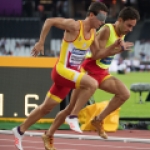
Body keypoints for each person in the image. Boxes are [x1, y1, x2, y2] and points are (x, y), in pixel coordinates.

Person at [12, 2, 110, 150]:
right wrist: (41, 42)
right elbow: (49, 21)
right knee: (92, 84)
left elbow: (96, 54)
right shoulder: (75, 26)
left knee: (46, 108)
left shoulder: (93, 34)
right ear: (91, 15)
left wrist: (114, 49)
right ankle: (73, 116)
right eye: (101, 18)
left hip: (69, 77)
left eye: (105, 20)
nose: (102, 22)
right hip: (61, 71)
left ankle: (20, 130)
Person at [40, 6, 140, 149]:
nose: (130, 29)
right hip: (89, 71)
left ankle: (98, 120)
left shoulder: (121, 33)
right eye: (129, 25)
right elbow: (96, 54)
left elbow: (109, 52)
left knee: (124, 94)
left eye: (133, 27)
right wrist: (117, 49)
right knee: (70, 109)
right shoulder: (107, 30)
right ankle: (48, 134)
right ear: (119, 20)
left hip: (103, 73)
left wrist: (118, 48)